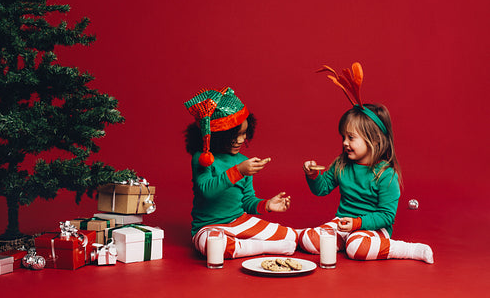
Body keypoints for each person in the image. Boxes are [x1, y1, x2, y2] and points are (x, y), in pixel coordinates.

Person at [299, 62, 434, 264]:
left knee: (357, 248)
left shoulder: (386, 174)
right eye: (343, 137)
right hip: (343, 223)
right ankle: (342, 241)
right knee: (308, 241)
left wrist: (358, 223)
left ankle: (408, 249)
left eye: (351, 138)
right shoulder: (341, 164)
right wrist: (312, 176)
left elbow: (387, 216)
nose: (345, 143)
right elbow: (322, 189)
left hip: (372, 228)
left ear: (375, 140)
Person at [184, 87, 297, 259]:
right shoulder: (202, 158)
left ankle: (246, 246)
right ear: (218, 136)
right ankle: (263, 247)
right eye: (235, 135)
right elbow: (206, 191)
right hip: (208, 227)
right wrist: (238, 171)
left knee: (290, 236)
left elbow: (246, 201)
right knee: (213, 248)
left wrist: (267, 205)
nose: (241, 140)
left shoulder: (243, 161)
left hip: (240, 222)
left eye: (244, 134)